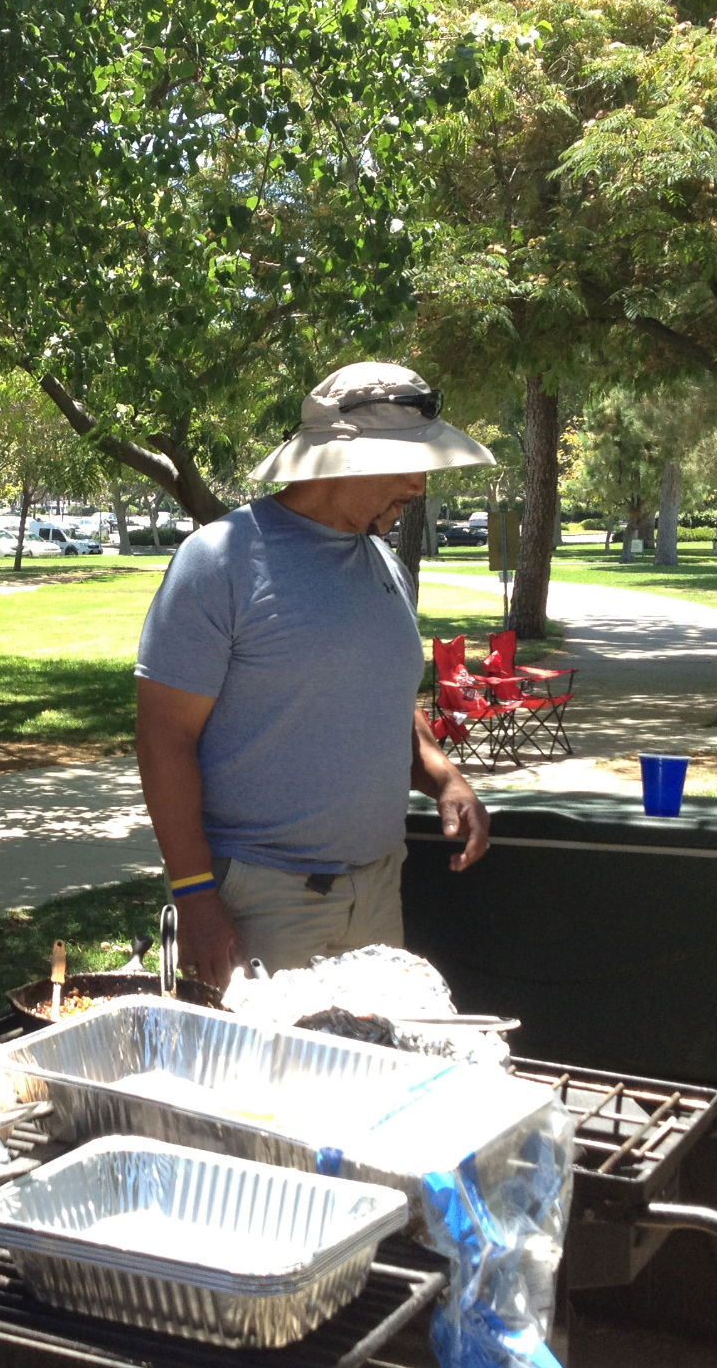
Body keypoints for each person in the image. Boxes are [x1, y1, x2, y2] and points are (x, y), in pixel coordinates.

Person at [134, 361, 497, 989]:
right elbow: (165, 737)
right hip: (260, 899)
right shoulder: (219, 561)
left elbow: (380, 696)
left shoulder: (385, 563)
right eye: (407, 463)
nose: (418, 485)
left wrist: (442, 776)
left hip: (377, 888)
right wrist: (194, 894)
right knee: (265, 1057)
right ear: (343, 460)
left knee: (374, 1049)